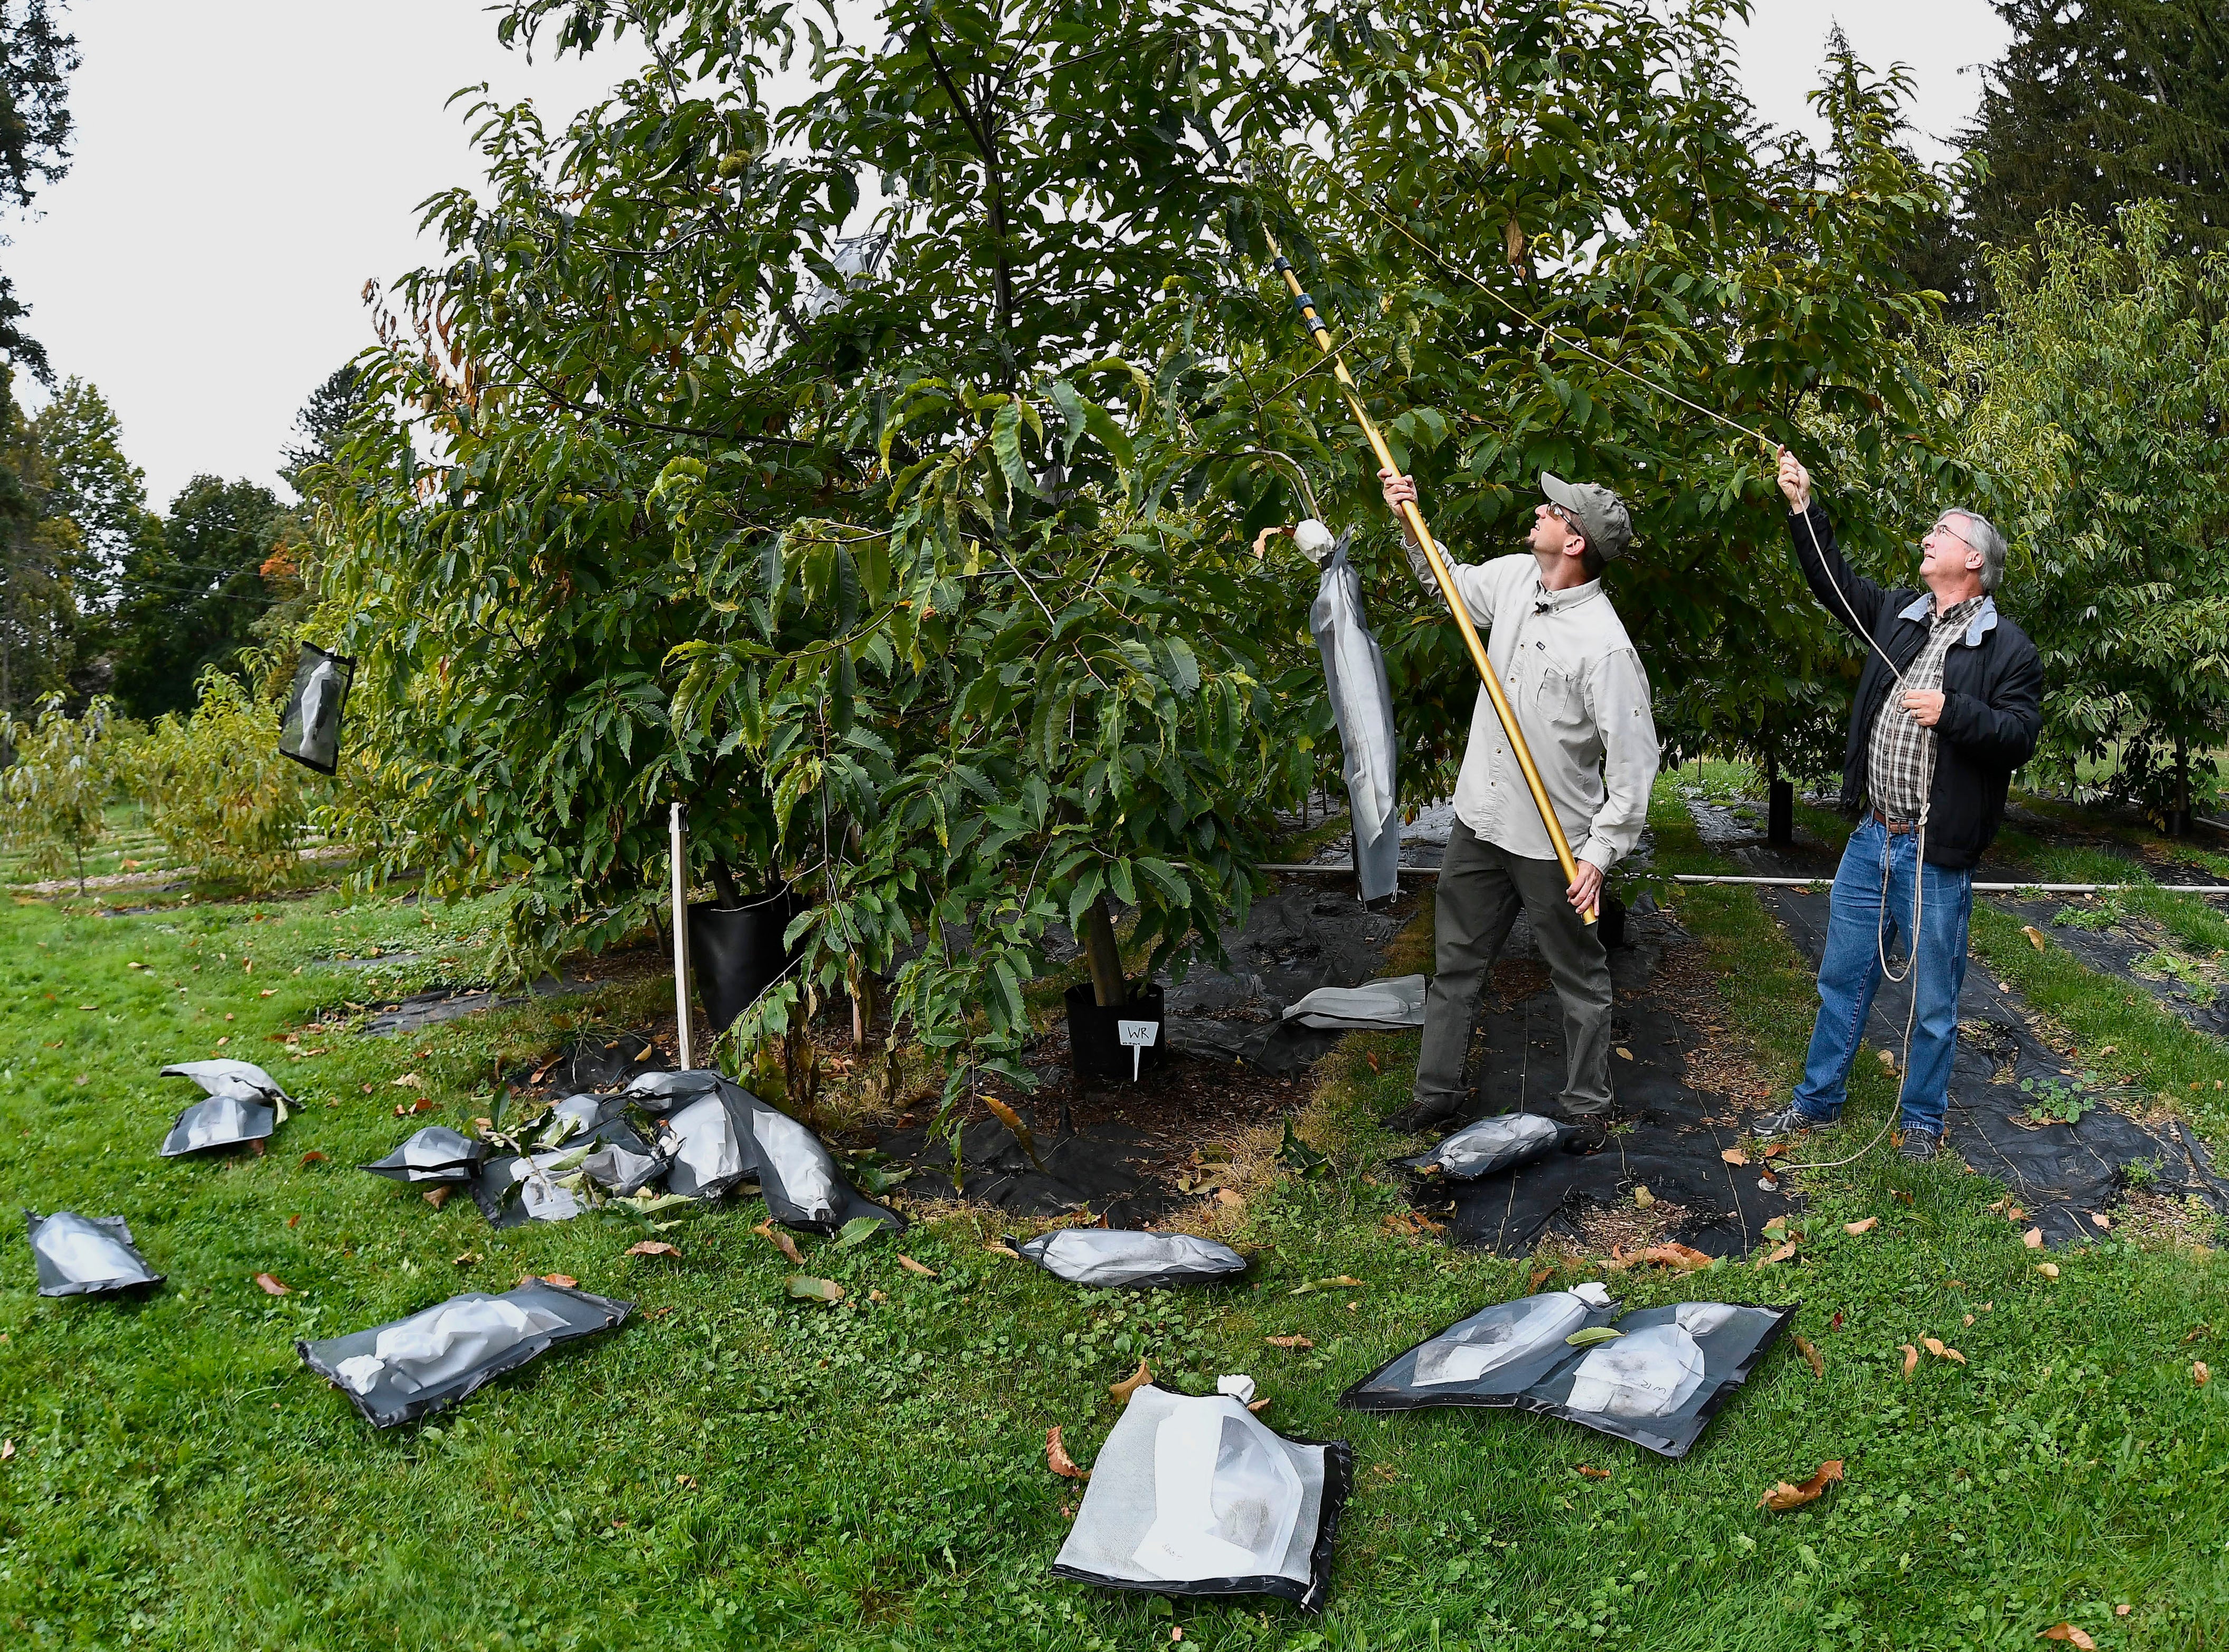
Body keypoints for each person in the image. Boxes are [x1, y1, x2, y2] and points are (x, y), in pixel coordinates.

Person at [1754, 450, 2042, 1160]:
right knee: (1839, 978)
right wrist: (1802, 507)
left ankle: (1920, 1122)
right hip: (1870, 838)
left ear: (1970, 558)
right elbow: (1835, 585)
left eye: (1937, 533)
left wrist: (1952, 711)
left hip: (1932, 850)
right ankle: (1816, 1102)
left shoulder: (2007, 648)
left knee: (1934, 1002)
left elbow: (2017, 736)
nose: (1924, 540)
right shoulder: (1899, 617)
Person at [1381, 468, 1660, 1141]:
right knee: (1454, 966)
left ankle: (1587, 1106)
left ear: (1576, 542)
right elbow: (1447, 582)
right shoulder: (1512, 578)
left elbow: (1633, 768)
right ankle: (1436, 1095)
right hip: (1480, 821)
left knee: (1579, 977)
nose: (1540, 508)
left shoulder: (1606, 647)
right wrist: (1407, 518)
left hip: (1552, 844)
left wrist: (1597, 854)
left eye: (1556, 508)